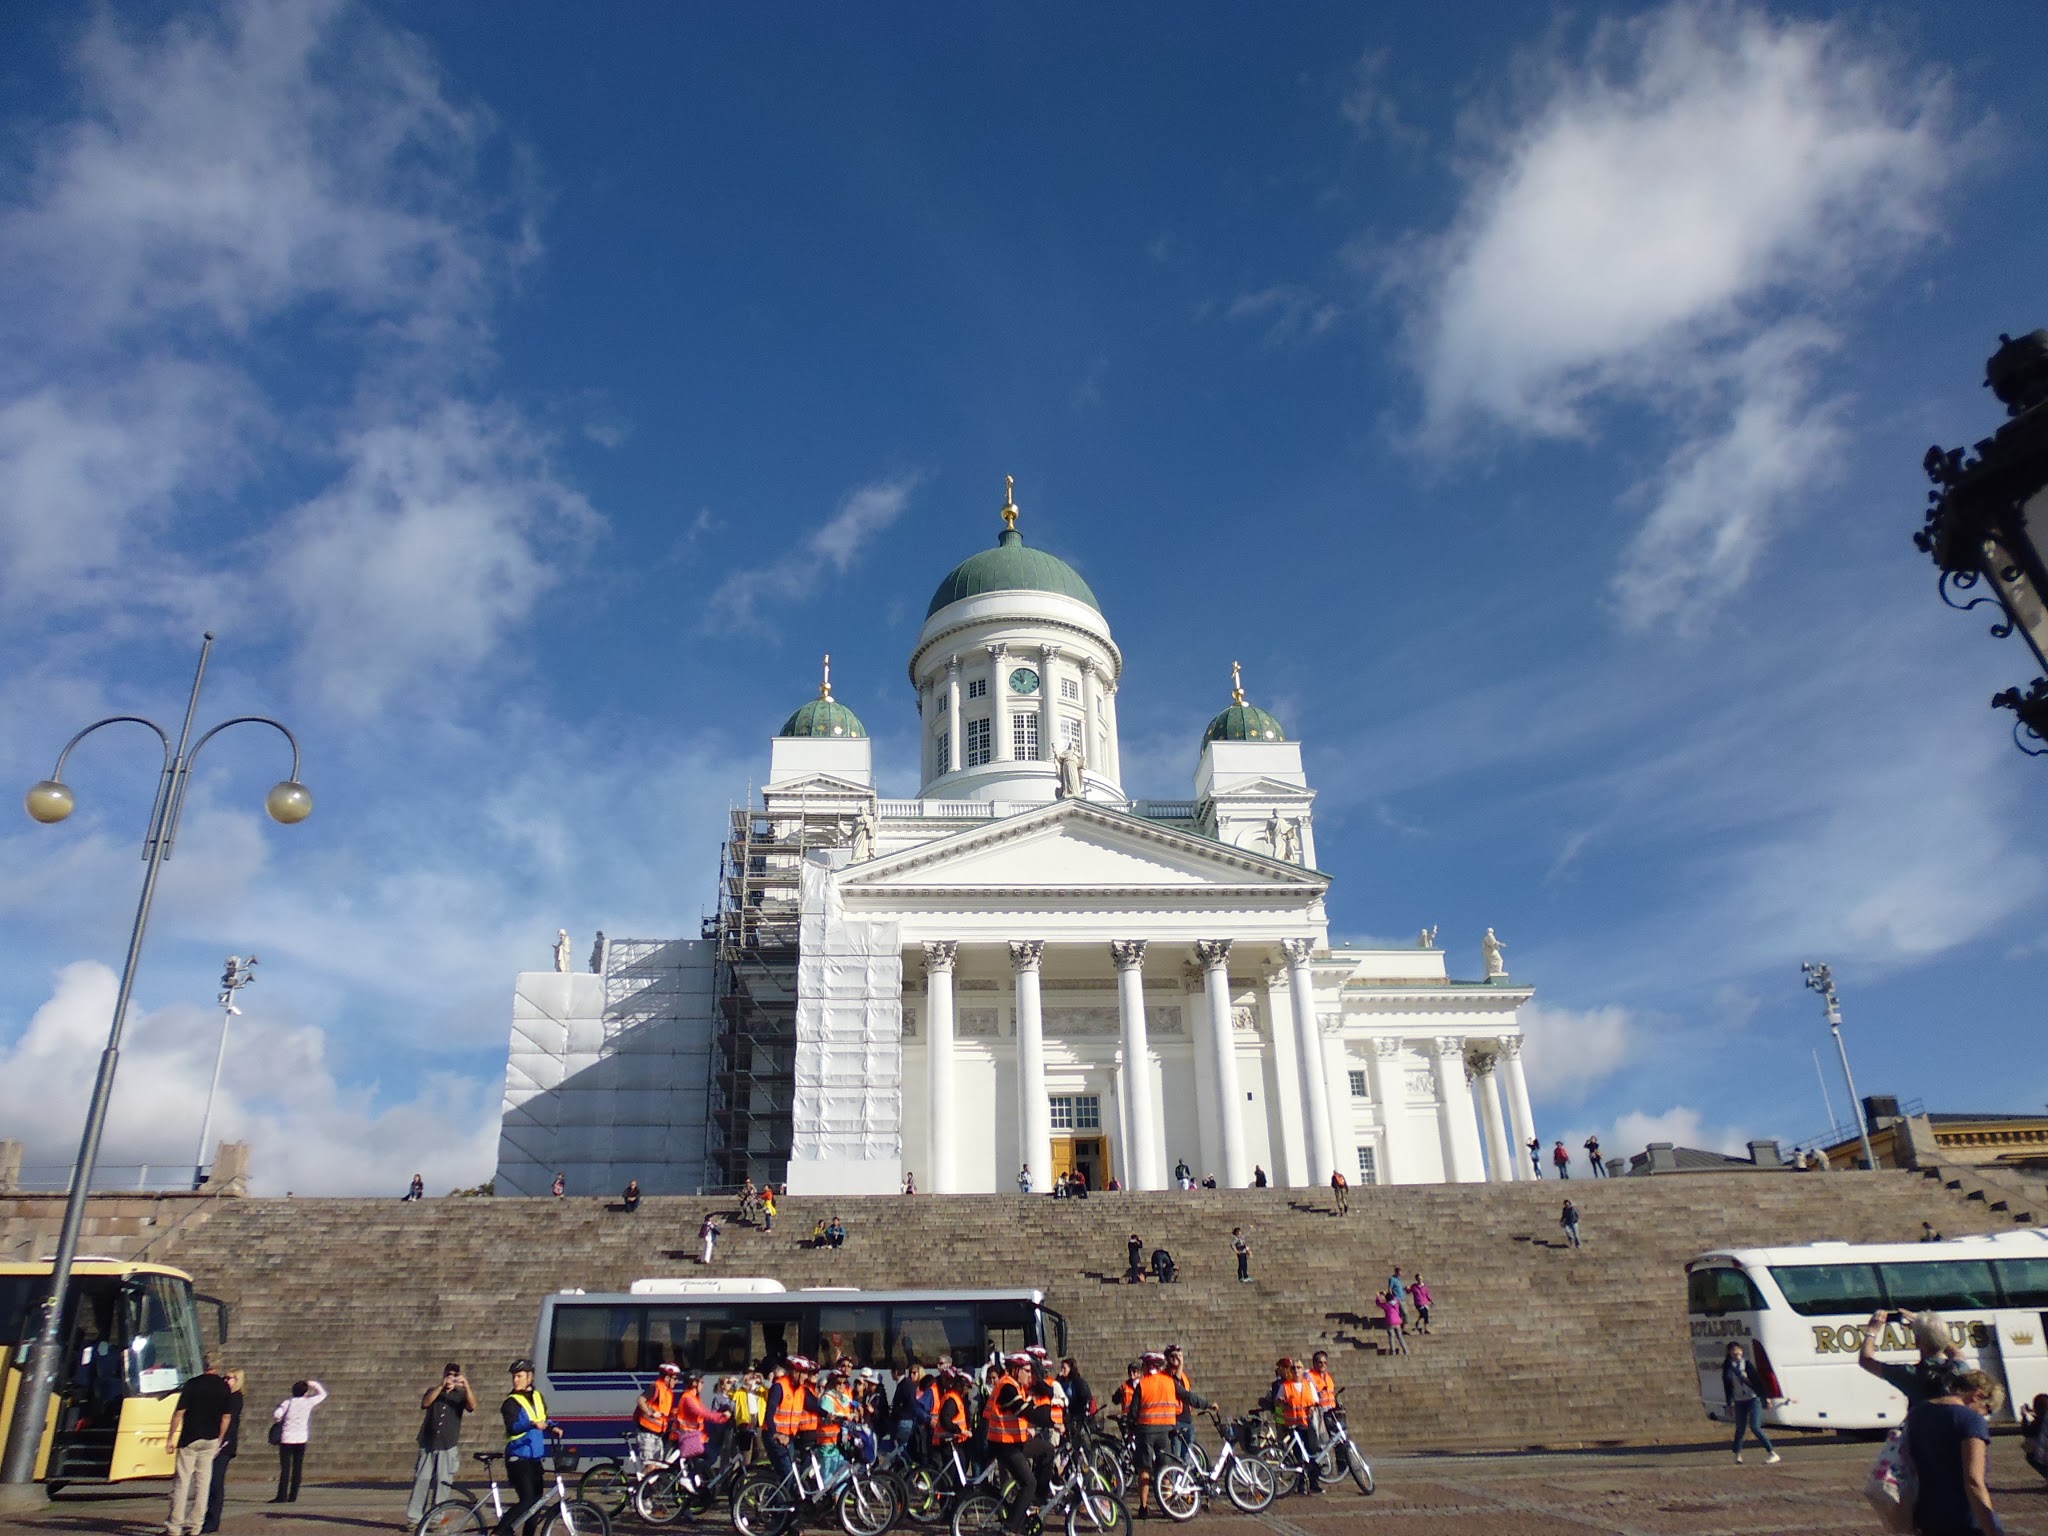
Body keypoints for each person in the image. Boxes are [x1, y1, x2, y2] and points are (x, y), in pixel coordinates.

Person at [1903, 1367, 2004, 1536]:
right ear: (1977, 1395)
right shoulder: (1970, 1420)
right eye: (1988, 1409)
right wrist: (1993, 1530)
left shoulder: (1917, 1413)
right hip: (1963, 1520)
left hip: (1927, 1517)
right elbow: (1973, 1481)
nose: (1985, 1416)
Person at [165, 1357, 233, 1536]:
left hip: (190, 1437)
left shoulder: (192, 1384)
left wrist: (170, 1437)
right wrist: (220, 1437)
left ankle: (175, 1526)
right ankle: (195, 1526)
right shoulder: (223, 1387)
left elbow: (179, 1413)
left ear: (204, 1365)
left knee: (182, 1482)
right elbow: (227, 1417)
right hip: (211, 1438)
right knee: (203, 1484)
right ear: (217, 1367)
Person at [407, 1363, 477, 1528]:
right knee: (422, 1480)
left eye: (454, 1374)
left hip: (448, 1444)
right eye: (449, 1374)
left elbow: (472, 1406)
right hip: (428, 1442)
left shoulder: (460, 1395)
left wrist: (466, 1385)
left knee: (443, 1483)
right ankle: (414, 1518)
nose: (451, 1377)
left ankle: (437, 1518)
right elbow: (425, 1403)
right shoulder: (434, 1391)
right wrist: (441, 1385)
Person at [1858, 1308, 1968, 1404]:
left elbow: (1866, 1360)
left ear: (1917, 1341)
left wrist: (1872, 1330)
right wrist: (1933, 1331)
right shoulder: (1960, 1368)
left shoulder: (1910, 1374)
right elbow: (1957, 1354)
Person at [499, 1358, 557, 1536]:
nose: (515, 1380)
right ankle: (498, 1532)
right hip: (518, 1457)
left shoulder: (538, 1397)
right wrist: (532, 1423)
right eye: (514, 1377)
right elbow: (513, 1427)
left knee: (536, 1505)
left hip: (534, 1458)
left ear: (529, 1377)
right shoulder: (510, 1402)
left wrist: (553, 1426)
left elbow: (544, 1417)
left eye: (519, 1376)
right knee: (527, 1500)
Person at [199, 1367, 243, 1534]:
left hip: (224, 1444)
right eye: (224, 1378)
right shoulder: (226, 1397)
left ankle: (212, 1520)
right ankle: (207, 1518)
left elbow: (228, 1421)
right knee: (210, 1481)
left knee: (215, 1482)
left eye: (230, 1378)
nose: (225, 1381)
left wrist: (220, 1442)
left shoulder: (235, 1398)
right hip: (216, 1441)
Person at [269, 1377, 327, 1503]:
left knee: (285, 1468)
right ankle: (293, 1495)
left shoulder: (288, 1402)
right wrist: (314, 1384)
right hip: (301, 1438)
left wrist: (280, 1421)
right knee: (297, 1467)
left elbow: (277, 1415)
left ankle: (281, 1495)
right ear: (305, 1392)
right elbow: (323, 1394)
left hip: (287, 1438)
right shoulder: (308, 1402)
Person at [1722, 1342, 1781, 1464]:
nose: (1736, 1352)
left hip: (1753, 1398)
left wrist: (1766, 1398)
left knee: (1755, 1426)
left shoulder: (1747, 1364)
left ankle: (1772, 1453)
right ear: (1729, 1353)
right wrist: (1729, 1403)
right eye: (1733, 1350)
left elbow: (1758, 1382)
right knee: (1740, 1428)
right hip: (1739, 1400)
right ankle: (1737, 1455)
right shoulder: (1727, 1367)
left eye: (1738, 1350)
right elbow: (1727, 1387)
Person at [1272, 1358, 1325, 1491]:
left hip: (1308, 1425)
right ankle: (1300, 1484)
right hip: (1293, 1426)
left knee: (1311, 1454)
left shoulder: (1308, 1385)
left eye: (1299, 1367)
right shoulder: (1285, 1386)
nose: (1296, 1370)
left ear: (1303, 1370)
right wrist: (1282, 1402)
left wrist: (1313, 1407)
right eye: (1294, 1368)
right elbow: (1277, 1401)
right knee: (1299, 1456)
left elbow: (1315, 1401)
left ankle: (1314, 1483)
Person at [633, 1362, 682, 1466]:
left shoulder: (669, 1392)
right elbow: (640, 1400)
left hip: (658, 1435)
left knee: (657, 1468)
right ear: (667, 1377)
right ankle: (642, 1482)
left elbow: (663, 1415)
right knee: (650, 1466)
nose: (677, 1381)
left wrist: (673, 1414)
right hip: (646, 1433)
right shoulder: (656, 1387)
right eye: (675, 1378)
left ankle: (647, 1481)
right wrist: (651, 1413)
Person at [2020, 1391, 2048, 1480]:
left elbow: (2027, 1433)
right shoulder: (2043, 1419)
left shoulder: (2039, 1421)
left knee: (2029, 1448)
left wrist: (2024, 1417)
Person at [1377, 1290, 1410, 1355]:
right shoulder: (1396, 1303)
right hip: (1397, 1322)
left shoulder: (1386, 1305)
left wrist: (1378, 1297)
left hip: (1390, 1322)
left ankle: (1393, 1351)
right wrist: (1387, 1293)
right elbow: (1396, 1298)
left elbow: (1378, 1304)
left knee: (1391, 1337)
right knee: (1400, 1337)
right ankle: (1406, 1351)